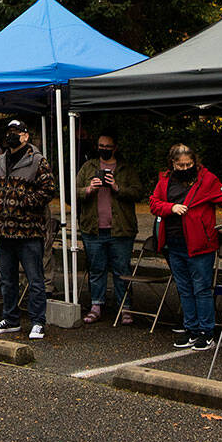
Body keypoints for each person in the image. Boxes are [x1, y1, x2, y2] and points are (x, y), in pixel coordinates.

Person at [149, 144, 222, 352]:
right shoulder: (164, 180)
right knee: (184, 289)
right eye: (180, 165)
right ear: (173, 164)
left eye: (188, 164)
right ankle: (191, 329)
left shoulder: (207, 180)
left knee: (201, 289)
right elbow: (154, 203)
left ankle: (206, 332)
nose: (184, 168)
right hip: (174, 243)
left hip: (200, 245)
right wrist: (170, 208)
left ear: (195, 162)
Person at [0, 119, 57, 342]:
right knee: (7, 279)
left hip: (28, 231)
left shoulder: (37, 160)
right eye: (9, 132)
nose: (11, 136)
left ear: (26, 136)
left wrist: (23, 201)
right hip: (3, 230)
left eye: (16, 132)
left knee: (35, 279)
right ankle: (11, 319)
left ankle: (37, 322)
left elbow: (48, 190)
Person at [76, 130, 144, 324]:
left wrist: (117, 188)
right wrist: (89, 189)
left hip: (121, 230)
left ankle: (125, 307)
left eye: (107, 146)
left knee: (121, 270)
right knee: (96, 269)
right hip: (93, 228)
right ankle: (96, 305)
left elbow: (138, 192)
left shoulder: (126, 169)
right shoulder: (88, 167)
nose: (103, 149)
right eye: (101, 146)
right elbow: (74, 190)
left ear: (115, 148)